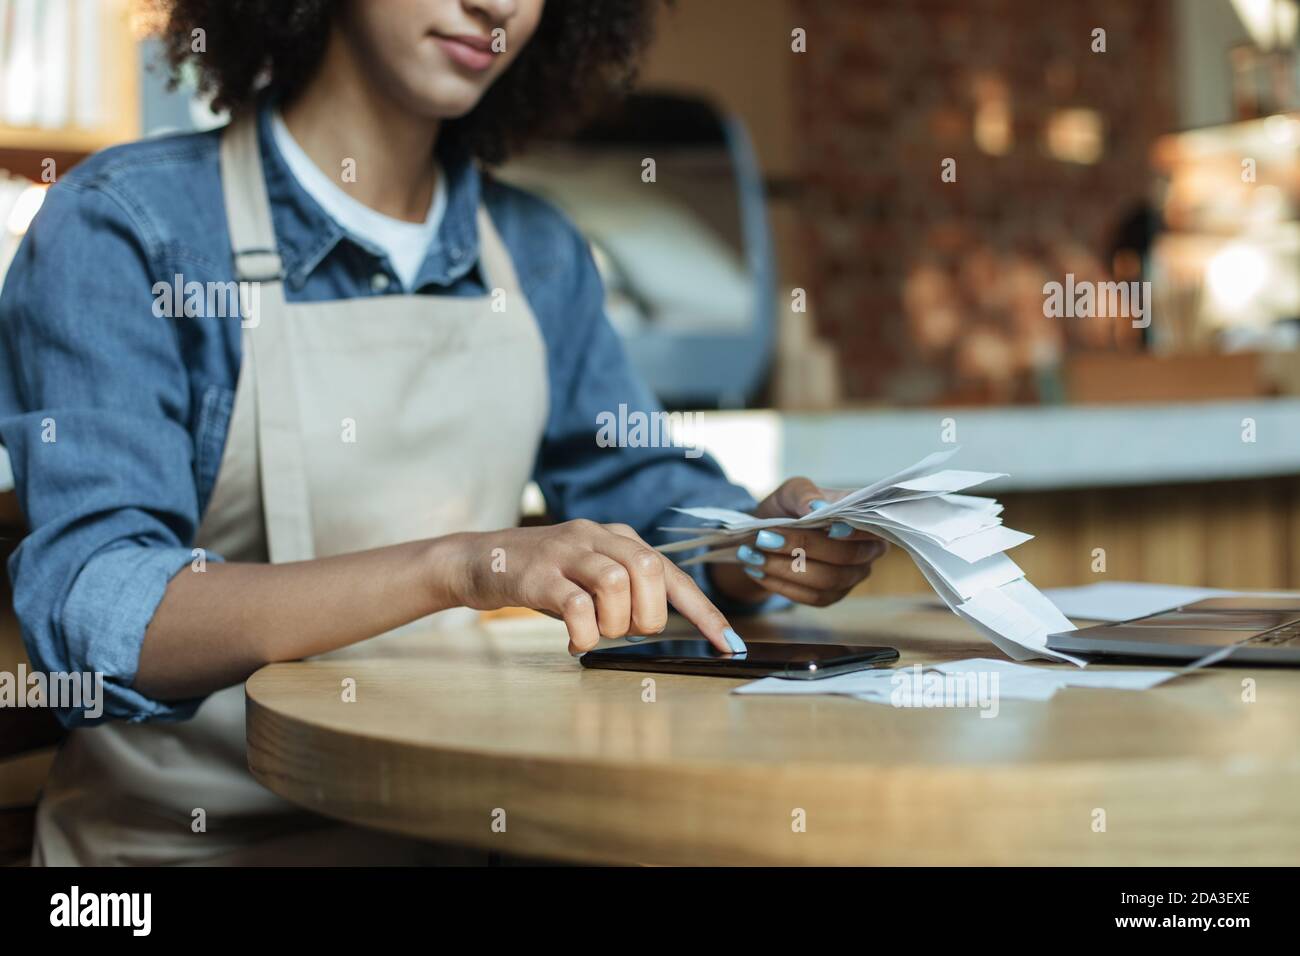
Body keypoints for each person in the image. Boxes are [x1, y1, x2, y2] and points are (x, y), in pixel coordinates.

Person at [0, 0, 885, 865]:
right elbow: (104, 608)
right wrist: (462, 566)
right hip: (190, 847)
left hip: (457, 830)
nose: (494, 4)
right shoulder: (130, 229)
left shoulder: (534, 250)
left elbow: (646, 498)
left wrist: (761, 543)